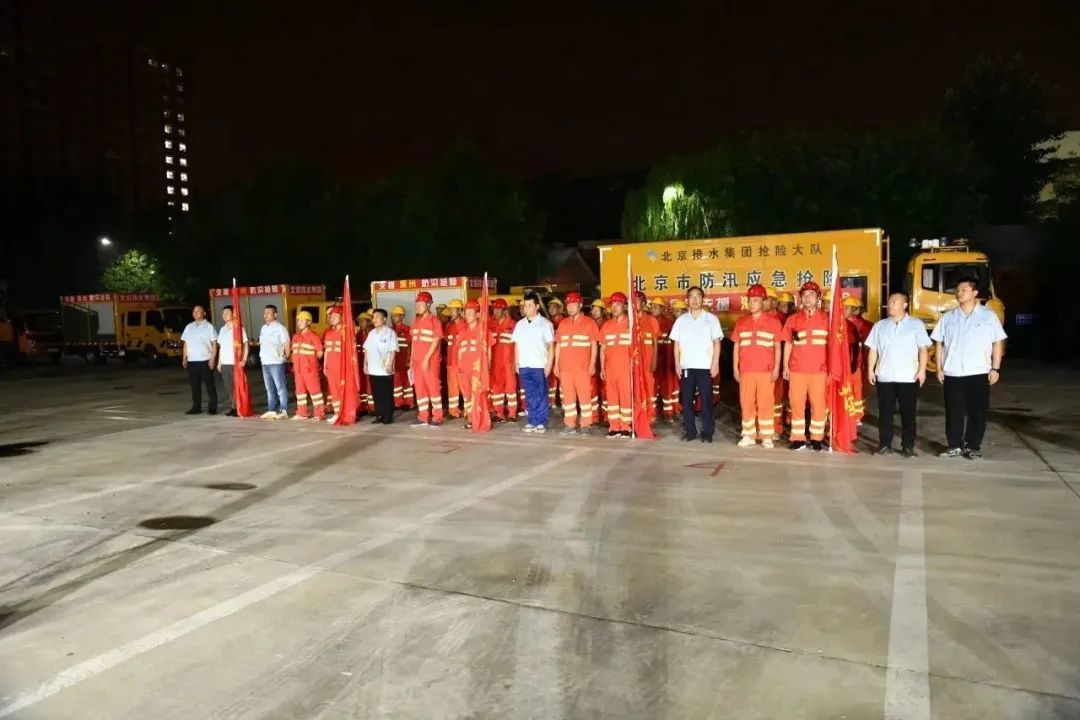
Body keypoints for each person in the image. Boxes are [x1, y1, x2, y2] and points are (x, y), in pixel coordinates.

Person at [931, 276, 1007, 459]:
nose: (959, 293)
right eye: (957, 290)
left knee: (977, 411)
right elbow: (939, 343)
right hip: (953, 372)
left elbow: (997, 342)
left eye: (964, 290)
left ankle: (973, 446)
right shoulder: (948, 317)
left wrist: (995, 368)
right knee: (953, 411)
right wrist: (939, 369)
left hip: (978, 371)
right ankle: (954, 445)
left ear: (975, 293)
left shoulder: (988, 316)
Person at [866, 293, 932, 457]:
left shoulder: (916, 324)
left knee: (908, 414)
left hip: (908, 377)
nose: (890, 304)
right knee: (885, 413)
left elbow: (923, 350)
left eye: (894, 302)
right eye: (889, 301)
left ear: (904, 305)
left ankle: (908, 446)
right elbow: (873, 350)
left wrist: (922, 370)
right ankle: (884, 444)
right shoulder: (880, 325)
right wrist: (870, 370)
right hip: (885, 376)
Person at [731, 284, 783, 448]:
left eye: (756, 300)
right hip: (746, 370)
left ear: (763, 302)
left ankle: (766, 435)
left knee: (765, 402)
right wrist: (735, 368)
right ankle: (748, 435)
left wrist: (777, 368)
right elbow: (736, 346)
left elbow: (778, 347)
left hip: (766, 370)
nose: (752, 303)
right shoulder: (741, 322)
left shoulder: (773, 322)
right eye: (750, 300)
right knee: (746, 402)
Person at [670, 286, 722, 443]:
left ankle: (707, 432)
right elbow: (676, 343)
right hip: (687, 366)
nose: (694, 299)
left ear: (702, 299)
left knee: (706, 400)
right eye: (691, 296)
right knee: (687, 401)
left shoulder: (711, 319)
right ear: (687, 300)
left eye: (697, 296)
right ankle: (690, 431)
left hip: (705, 367)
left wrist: (715, 363)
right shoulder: (681, 320)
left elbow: (717, 343)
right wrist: (677, 364)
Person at [781, 281, 829, 451]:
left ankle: (816, 438)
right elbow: (788, 344)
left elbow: (833, 346)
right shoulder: (793, 319)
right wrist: (785, 367)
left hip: (820, 370)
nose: (808, 298)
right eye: (805, 295)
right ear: (800, 298)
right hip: (797, 370)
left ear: (818, 298)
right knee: (796, 404)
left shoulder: (827, 319)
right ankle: (798, 438)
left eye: (812, 295)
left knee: (819, 405)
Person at [554, 291, 600, 435]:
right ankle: (570, 424)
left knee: (585, 396)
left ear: (580, 305)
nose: (571, 307)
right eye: (568, 305)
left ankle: (586, 424)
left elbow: (594, 345)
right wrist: (556, 364)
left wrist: (592, 364)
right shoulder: (563, 323)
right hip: (565, 368)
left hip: (582, 368)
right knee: (568, 398)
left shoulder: (589, 323)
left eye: (574, 304)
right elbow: (558, 345)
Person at [512, 292, 554, 434]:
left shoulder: (545, 324)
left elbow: (551, 346)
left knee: (541, 394)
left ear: (537, 306)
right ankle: (532, 421)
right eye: (525, 305)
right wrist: (516, 363)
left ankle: (540, 422)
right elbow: (516, 345)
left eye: (530, 305)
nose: (527, 308)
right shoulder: (520, 324)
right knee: (529, 395)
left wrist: (549, 364)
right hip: (524, 365)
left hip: (539, 365)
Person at [600, 292, 635, 438]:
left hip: (626, 369)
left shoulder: (631, 324)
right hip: (610, 368)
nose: (614, 308)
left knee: (626, 398)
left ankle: (626, 426)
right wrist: (602, 368)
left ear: (625, 306)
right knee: (612, 398)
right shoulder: (606, 326)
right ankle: (614, 427)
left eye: (618, 304)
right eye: (612, 305)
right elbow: (603, 348)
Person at [455, 300, 493, 429]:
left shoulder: (483, 331)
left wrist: (488, 366)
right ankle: (471, 419)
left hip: (477, 369)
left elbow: (488, 350)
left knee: (478, 394)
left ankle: (479, 420)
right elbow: (460, 351)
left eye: (470, 313)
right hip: (464, 369)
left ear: (477, 314)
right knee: (467, 396)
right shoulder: (462, 332)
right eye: (466, 313)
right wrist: (459, 368)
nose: (467, 315)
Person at [410, 291, 445, 428]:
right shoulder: (416, 321)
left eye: (421, 303)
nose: (418, 306)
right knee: (420, 389)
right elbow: (414, 341)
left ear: (429, 304)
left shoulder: (434, 321)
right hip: (417, 362)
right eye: (417, 303)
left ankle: (437, 417)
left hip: (430, 362)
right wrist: (412, 359)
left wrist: (426, 359)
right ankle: (423, 417)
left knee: (433, 388)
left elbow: (436, 341)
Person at [181, 305, 218, 415]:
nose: (195, 313)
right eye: (194, 311)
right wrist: (184, 358)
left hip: (205, 360)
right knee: (194, 386)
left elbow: (214, 344)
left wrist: (213, 359)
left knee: (209, 385)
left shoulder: (209, 327)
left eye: (198, 311)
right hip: (192, 361)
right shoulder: (189, 327)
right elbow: (186, 344)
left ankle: (212, 407)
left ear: (204, 313)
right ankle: (196, 407)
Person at [363, 308, 399, 423]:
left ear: (384, 319)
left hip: (384, 369)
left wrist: (390, 364)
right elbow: (366, 350)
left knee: (386, 394)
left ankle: (387, 416)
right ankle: (379, 415)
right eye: (373, 317)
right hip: (373, 369)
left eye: (378, 317)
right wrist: (365, 364)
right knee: (376, 394)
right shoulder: (371, 333)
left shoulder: (390, 333)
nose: (375, 319)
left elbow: (393, 350)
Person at [290, 310, 325, 421]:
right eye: (298, 320)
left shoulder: (314, 336)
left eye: (302, 320)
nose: (299, 322)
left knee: (315, 392)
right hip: (298, 370)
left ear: (308, 322)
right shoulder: (295, 337)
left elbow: (320, 353)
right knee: (300, 393)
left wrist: (312, 363)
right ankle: (302, 413)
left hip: (310, 370)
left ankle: (319, 414)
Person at [215, 305, 248, 417]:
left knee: (237, 387)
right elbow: (221, 348)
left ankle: (240, 407)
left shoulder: (238, 328)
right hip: (225, 363)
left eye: (227, 313)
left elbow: (245, 345)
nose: (224, 315)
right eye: (223, 313)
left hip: (235, 363)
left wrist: (244, 360)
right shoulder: (222, 329)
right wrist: (219, 362)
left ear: (233, 314)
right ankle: (233, 407)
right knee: (229, 388)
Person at [258, 304, 291, 419]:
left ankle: (284, 410)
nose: (265, 315)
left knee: (280, 387)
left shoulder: (280, 328)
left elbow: (286, 343)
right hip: (265, 362)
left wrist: (286, 357)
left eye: (268, 313)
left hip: (276, 362)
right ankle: (271, 409)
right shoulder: (263, 328)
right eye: (265, 312)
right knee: (269, 388)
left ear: (275, 314)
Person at [489, 298, 519, 422]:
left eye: (498, 309)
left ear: (504, 310)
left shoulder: (513, 324)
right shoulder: (490, 324)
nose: (495, 311)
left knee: (511, 388)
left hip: (508, 362)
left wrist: (515, 362)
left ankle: (512, 413)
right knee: (496, 389)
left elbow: (517, 345)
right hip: (495, 363)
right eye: (494, 309)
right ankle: (499, 413)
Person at [845, 296, 873, 423]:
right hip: (847, 363)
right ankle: (850, 413)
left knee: (858, 390)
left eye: (847, 308)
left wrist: (867, 366)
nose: (844, 310)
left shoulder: (864, 325)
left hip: (857, 364)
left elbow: (868, 348)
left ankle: (857, 415)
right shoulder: (841, 323)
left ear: (855, 310)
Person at [633, 290, 660, 421]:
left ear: (643, 304)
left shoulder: (651, 320)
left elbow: (655, 342)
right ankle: (636, 415)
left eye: (636, 302)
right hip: (633, 363)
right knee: (634, 388)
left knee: (649, 387)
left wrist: (654, 361)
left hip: (647, 362)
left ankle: (649, 415)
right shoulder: (628, 320)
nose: (633, 304)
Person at [322, 306, 348, 423]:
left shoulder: (346, 332)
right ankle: (338, 413)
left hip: (342, 366)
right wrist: (325, 365)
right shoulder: (328, 333)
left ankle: (346, 413)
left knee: (343, 390)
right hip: (331, 366)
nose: (332, 318)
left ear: (342, 317)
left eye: (335, 316)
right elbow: (327, 350)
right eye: (331, 316)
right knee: (334, 390)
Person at [652, 297, 677, 421]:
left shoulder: (669, 323)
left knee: (667, 387)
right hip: (652, 360)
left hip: (666, 360)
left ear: (662, 309)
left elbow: (673, 344)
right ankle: (652, 412)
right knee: (652, 387)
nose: (653, 309)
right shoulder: (648, 321)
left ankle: (668, 413)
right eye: (652, 307)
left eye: (656, 307)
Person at [444, 298, 467, 419]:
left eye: (453, 310)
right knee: (452, 388)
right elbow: (446, 340)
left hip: (462, 362)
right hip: (451, 362)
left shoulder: (466, 325)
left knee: (465, 387)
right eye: (450, 310)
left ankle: (469, 411)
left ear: (460, 311)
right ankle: (453, 411)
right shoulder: (449, 326)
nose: (451, 312)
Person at [390, 306, 412, 409]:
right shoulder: (390, 330)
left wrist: (409, 359)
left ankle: (409, 402)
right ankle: (398, 402)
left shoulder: (407, 329)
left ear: (402, 317)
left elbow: (410, 345)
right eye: (393, 316)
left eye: (396, 316)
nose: (394, 318)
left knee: (406, 381)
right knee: (396, 382)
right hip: (394, 360)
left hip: (404, 360)